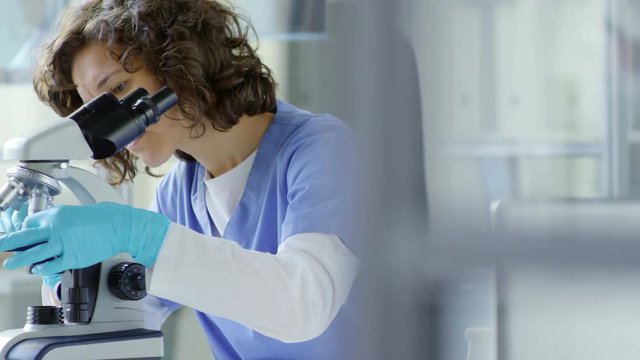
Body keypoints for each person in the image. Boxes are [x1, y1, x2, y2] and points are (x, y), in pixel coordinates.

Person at [0, 0, 359, 359]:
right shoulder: (180, 192)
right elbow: (130, 321)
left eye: (120, 88)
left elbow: (304, 306)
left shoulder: (322, 150)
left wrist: (139, 235)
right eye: (93, 106)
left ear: (179, 66)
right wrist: (70, 277)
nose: (112, 126)